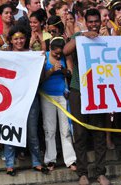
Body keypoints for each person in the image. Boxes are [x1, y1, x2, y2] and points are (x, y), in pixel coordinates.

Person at [63, 9, 110, 185]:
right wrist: (82, 35)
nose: (93, 25)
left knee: (99, 133)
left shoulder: (107, 37)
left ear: (100, 22)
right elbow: (66, 51)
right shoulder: (79, 35)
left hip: (100, 90)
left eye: (96, 21)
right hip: (79, 89)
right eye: (90, 22)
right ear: (85, 22)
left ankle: (100, 172)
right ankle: (82, 173)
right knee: (80, 133)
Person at [3, 25, 47, 177]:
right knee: (10, 130)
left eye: (21, 38)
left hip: (30, 98)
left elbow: (40, 78)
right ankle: (9, 164)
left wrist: (42, 59)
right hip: (10, 100)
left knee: (32, 131)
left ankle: (37, 162)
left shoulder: (33, 55)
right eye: (16, 39)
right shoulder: (5, 55)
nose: (19, 41)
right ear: (11, 40)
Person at [40, 37, 77, 172]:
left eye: (59, 53)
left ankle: (70, 159)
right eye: (55, 53)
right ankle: (50, 159)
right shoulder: (44, 57)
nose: (57, 55)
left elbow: (70, 73)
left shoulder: (65, 57)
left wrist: (63, 71)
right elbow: (41, 77)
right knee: (49, 129)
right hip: (47, 96)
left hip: (62, 95)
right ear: (50, 49)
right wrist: (52, 70)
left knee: (65, 129)